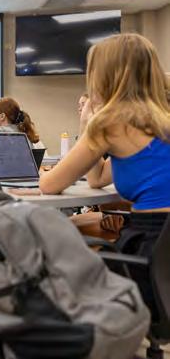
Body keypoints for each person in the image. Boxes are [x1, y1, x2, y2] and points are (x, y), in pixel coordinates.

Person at [40, 33, 170, 315]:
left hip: (151, 254)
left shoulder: (111, 124)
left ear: (104, 77)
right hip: (162, 257)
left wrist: (89, 124)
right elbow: (98, 178)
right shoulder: (162, 121)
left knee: (54, 266)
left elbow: (49, 184)